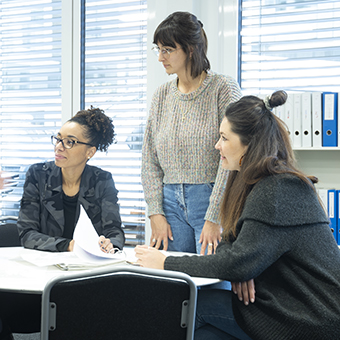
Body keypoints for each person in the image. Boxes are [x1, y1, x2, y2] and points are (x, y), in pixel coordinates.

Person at [135, 90, 340, 340]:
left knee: (181, 308)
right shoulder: (255, 183)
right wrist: (242, 268)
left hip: (309, 317)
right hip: (281, 305)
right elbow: (231, 246)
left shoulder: (279, 189)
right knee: (199, 327)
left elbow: (237, 261)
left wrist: (164, 262)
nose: (216, 145)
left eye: (224, 138)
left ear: (249, 144)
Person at [142, 11, 242, 255]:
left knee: (214, 284)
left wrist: (215, 215)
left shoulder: (223, 88)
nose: (160, 58)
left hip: (209, 197)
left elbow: (234, 155)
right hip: (168, 204)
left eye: (167, 49)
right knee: (173, 284)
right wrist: (155, 212)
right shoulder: (162, 95)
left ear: (191, 49)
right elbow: (149, 160)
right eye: (158, 49)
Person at [17, 106, 125, 253]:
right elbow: (27, 233)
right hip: (46, 264)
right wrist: (68, 246)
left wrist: (110, 244)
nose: (59, 147)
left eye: (70, 142)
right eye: (58, 139)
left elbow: (114, 231)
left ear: (90, 152)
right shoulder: (38, 175)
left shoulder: (102, 180)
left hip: (89, 265)